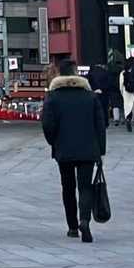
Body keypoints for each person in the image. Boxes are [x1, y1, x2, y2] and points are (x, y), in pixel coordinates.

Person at [41, 60, 107, 243]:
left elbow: (47, 124)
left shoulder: (53, 97)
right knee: (85, 187)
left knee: (68, 187)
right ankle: (84, 220)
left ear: (59, 74)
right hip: (88, 149)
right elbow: (100, 126)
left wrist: (54, 142)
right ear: (76, 73)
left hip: (64, 150)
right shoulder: (90, 97)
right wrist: (100, 150)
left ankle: (72, 227)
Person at [118, 56, 134, 132]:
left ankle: (128, 120)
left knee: (127, 107)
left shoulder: (123, 73)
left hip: (126, 92)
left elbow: (121, 85)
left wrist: (122, 92)